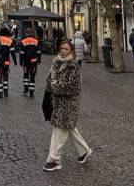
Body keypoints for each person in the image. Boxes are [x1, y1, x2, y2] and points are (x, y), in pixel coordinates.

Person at [43, 39, 91, 171]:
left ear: (72, 51)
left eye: (66, 49)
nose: (63, 51)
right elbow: (49, 80)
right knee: (69, 128)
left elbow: (73, 88)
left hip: (68, 105)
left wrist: (55, 87)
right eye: (62, 48)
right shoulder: (56, 62)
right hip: (57, 103)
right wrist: (50, 90)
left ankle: (54, 160)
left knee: (59, 132)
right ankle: (84, 150)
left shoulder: (74, 66)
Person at [19, 27, 41, 98]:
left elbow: (21, 53)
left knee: (26, 75)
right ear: (32, 33)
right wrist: (39, 60)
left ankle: (25, 91)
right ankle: (31, 92)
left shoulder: (23, 41)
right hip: (34, 61)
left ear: (26, 33)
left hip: (26, 61)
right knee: (32, 75)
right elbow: (38, 52)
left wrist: (21, 62)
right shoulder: (36, 41)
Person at [0, 26, 13, 98]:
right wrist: (15, 61)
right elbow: (12, 50)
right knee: (6, 74)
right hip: (7, 60)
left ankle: (0, 93)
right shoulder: (10, 40)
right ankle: (6, 92)